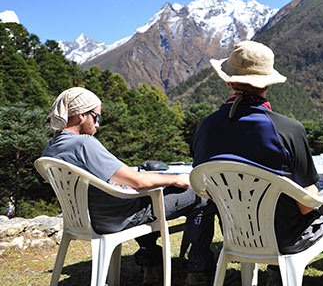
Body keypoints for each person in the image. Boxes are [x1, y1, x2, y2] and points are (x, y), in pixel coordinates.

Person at [192, 41, 323, 286]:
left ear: (228, 82)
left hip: (237, 236)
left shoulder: (206, 127)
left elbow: (206, 189)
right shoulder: (288, 129)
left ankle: (275, 273)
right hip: (288, 238)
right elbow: (306, 205)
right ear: (267, 84)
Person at [42, 87, 216, 286]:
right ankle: (197, 270)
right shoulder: (83, 143)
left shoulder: (52, 146)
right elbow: (138, 181)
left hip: (88, 218)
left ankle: (151, 264)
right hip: (118, 218)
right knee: (202, 197)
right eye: (96, 117)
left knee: (144, 196)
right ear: (82, 115)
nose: (98, 125)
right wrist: (176, 179)